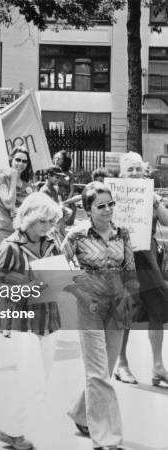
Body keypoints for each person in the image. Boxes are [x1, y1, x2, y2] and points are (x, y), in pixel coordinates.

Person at [62, 182, 137, 450]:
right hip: (90, 307)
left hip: (117, 307)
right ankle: (107, 437)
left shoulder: (123, 234)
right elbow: (62, 269)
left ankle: (82, 414)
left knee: (103, 369)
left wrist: (129, 299)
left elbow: (130, 270)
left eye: (111, 204)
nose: (108, 210)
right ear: (88, 210)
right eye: (100, 206)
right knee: (97, 372)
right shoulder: (76, 236)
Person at [0, 192, 62, 450]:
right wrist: (29, 286)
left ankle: (11, 428)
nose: (47, 227)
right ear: (29, 218)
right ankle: (12, 431)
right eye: (43, 221)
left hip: (49, 318)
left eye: (50, 222)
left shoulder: (52, 243)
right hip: (21, 322)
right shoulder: (9, 247)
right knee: (28, 378)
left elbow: (61, 277)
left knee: (40, 380)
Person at [114, 152, 168, 386]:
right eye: (130, 169)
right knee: (125, 310)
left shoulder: (151, 196)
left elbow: (166, 221)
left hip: (148, 259)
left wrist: (156, 202)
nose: (135, 173)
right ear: (121, 173)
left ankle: (158, 366)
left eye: (138, 169)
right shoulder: (113, 195)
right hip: (122, 259)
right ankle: (121, 364)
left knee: (159, 309)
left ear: (145, 171)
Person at [0, 147, 35, 257]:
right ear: (11, 160)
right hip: (3, 230)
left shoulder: (27, 185)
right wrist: (13, 177)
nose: (21, 163)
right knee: (4, 268)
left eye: (24, 161)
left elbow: (31, 209)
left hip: (21, 232)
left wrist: (20, 211)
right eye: (17, 160)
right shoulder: (2, 178)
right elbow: (8, 203)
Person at [53, 150, 76, 225]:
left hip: (68, 201)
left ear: (65, 161)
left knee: (68, 226)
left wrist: (67, 202)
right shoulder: (53, 172)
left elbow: (72, 190)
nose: (56, 159)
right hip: (56, 201)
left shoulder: (70, 174)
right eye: (55, 157)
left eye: (59, 158)